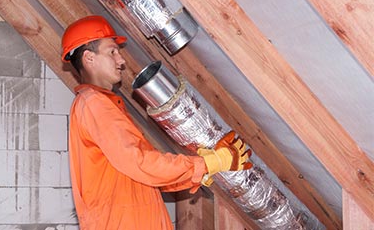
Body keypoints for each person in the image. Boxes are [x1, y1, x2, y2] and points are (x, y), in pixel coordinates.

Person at [61, 15, 252, 230]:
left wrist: (203, 169)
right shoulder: (95, 105)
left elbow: (150, 175)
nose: (121, 60)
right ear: (89, 58)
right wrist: (207, 163)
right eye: (112, 51)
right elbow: (141, 163)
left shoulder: (102, 105)